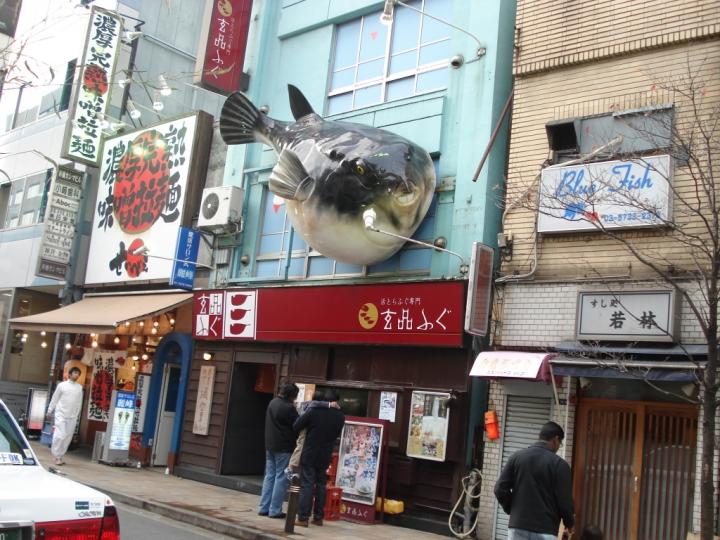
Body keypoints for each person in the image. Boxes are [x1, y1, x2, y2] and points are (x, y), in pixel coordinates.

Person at [494, 421, 575, 540]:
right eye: (560, 443)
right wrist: (569, 523)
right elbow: (564, 502)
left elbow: (499, 489)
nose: (558, 446)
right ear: (555, 439)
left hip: (518, 527)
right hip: (545, 530)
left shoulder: (517, 457)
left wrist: (512, 509)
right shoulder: (560, 465)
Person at [293, 388, 345, 527]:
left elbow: (296, 425)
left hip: (310, 452)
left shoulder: (314, 411)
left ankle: (303, 518)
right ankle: (318, 517)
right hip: (325, 453)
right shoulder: (340, 416)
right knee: (321, 484)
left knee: (307, 484)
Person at [258, 381, 299, 519]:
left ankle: (264, 507)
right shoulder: (289, 408)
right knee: (281, 478)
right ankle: (275, 510)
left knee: (269, 476)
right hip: (284, 446)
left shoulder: (273, 402)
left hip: (270, 445)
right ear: (291, 395)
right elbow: (297, 424)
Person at [46, 367, 83, 466]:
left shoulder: (79, 388)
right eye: (75, 373)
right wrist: (49, 411)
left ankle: (60, 456)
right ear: (69, 374)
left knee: (67, 437)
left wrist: (77, 414)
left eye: (78, 373)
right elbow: (55, 398)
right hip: (60, 414)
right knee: (60, 435)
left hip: (72, 416)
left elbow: (79, 402)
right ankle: (56, 455)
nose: (76, 375)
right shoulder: (61, 386)